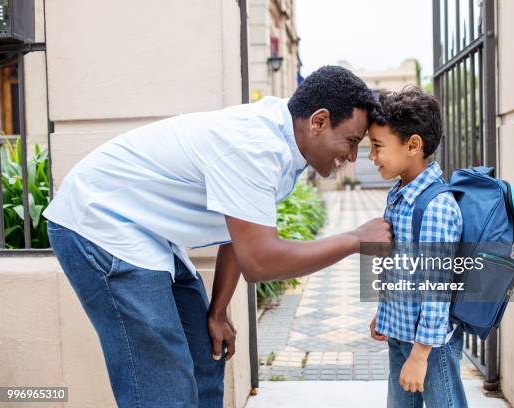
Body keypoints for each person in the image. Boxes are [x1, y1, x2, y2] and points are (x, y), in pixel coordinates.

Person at [43, 65, 392, 408]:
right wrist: (355, 240)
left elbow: (238, 232)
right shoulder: (256, 147)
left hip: (147, 233)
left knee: (205, 356)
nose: (350, 156)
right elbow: (260, 260)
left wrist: (219, 310)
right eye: (351, 142)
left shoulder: (282, 140)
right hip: (99, 223)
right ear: (318, 121)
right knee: (166, 389)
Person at [367, 87, 467, 407]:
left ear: (413, 145)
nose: (371, 157)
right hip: (400, 335)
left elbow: (436, 287)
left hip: (430, 346)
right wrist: (383, 314)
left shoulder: (435, 206)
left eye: (377, 146)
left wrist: (421, 355)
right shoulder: (398, 195)